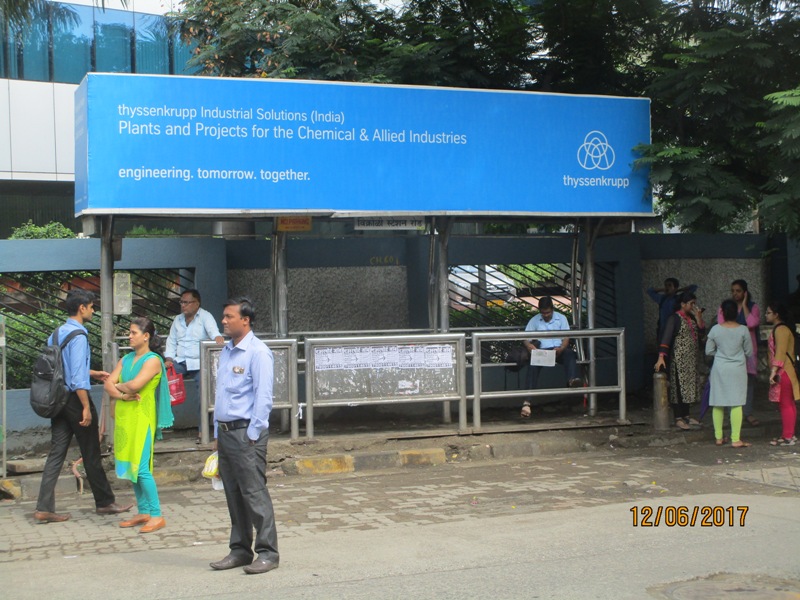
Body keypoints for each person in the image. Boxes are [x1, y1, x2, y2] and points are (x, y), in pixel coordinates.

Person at [33, 289, 133, 523]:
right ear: (82, 308)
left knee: (56, 454)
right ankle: (105, 502)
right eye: (91, 307)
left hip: (58, 400)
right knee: (91, 452)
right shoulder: (78, 335)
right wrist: (86, 407)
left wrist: (93, 372)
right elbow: (77, 378)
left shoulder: (56, 333)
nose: (93, 310)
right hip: (76, 400)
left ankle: (43, 507)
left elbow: (60, 369)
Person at [210, 297, 279, 575]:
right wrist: (218, 434)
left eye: (229, 317)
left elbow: (264, 397)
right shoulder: (227, 351)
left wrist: (253, 434)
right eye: (223, 317)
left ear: (245, 320)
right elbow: (222, 395)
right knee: (233, 494)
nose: (224, 321)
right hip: (226, 434)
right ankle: (239, 550)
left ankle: (268, 553)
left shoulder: (258, 352)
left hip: (246, 434)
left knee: (254, 493)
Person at [104, 317, 174, 533]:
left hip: (142, 419)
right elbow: (108, 384)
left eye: (134, 332)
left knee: (142, 469)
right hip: (124, 417)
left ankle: (156, 514)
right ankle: (143, 511)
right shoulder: (125, 359)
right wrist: (123, 394)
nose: (129, 336)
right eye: (130, 332)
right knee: (130, 467)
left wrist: (118, 386)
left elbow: (135, 384)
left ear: (146, 336)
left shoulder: (153, 360)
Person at [164, 289, 224, 441]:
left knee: (203, 395)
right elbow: (171, 341)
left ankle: (202, 431)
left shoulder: (205, 316)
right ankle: (160, 424)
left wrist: (217, 338)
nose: (183, 305)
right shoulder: (177, 320)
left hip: (200, 362)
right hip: (180, 361)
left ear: (196, 303)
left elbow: (214, 333)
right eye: (181, 302)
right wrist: (169, 358)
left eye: (186, 302)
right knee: (159, 381)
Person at [519, 296, 582, 419]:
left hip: (558, 350)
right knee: (532, 366)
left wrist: (562, 348)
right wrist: (529, 346)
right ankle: (527, 403)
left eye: (547, 312)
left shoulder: (561, 318)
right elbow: (525, 338)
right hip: (542, 352)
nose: (545, 315)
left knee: (570, 354)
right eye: (543, 313)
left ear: (552, 309)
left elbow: (566, 337)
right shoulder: (535, 320)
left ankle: (572, 380)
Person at [655, 291, 706, 430]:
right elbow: (666, 338)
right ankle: (678, 417)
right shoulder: (675, 319)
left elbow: (702, 334)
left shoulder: (692, 319)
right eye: (691, 304)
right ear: (683, 304)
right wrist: (661, 356)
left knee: (688, 389)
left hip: (691, 361)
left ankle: (687, 416)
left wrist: (699, 318)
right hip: (679, 361)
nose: (693, 306)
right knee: (678, 389)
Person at [705, 299, 753, 448]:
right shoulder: (743, 330)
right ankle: (735, 439)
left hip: (720, 368)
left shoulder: (715, 330)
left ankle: (718, 437)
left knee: (718, 403)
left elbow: (708, 351)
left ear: (722, 313)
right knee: (736, 403)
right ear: (737, 313)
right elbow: (749, 351)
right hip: (737, 369)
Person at [717, 279, 761, 427]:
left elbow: (753, 323)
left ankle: (747, 413)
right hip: (730, 352)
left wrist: (744, 305)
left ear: (745, 292)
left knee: (748, 383)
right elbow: (721, 325)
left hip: (748, 351)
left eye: (738, 291)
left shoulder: (753, 307)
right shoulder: (725, 307)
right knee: (731, 384)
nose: (735, 294)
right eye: (733, 291)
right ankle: (732, 415)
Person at [765, 302, 799, 446]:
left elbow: (780, 353)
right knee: (788, 404)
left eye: (768, 312)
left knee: (785, 404)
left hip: (784, 371)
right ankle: (789, 434)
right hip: (786, 370)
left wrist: (773, 371)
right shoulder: (782, 329)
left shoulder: (781, 330)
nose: (766, 315)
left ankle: (788, 436)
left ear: (776, 314)